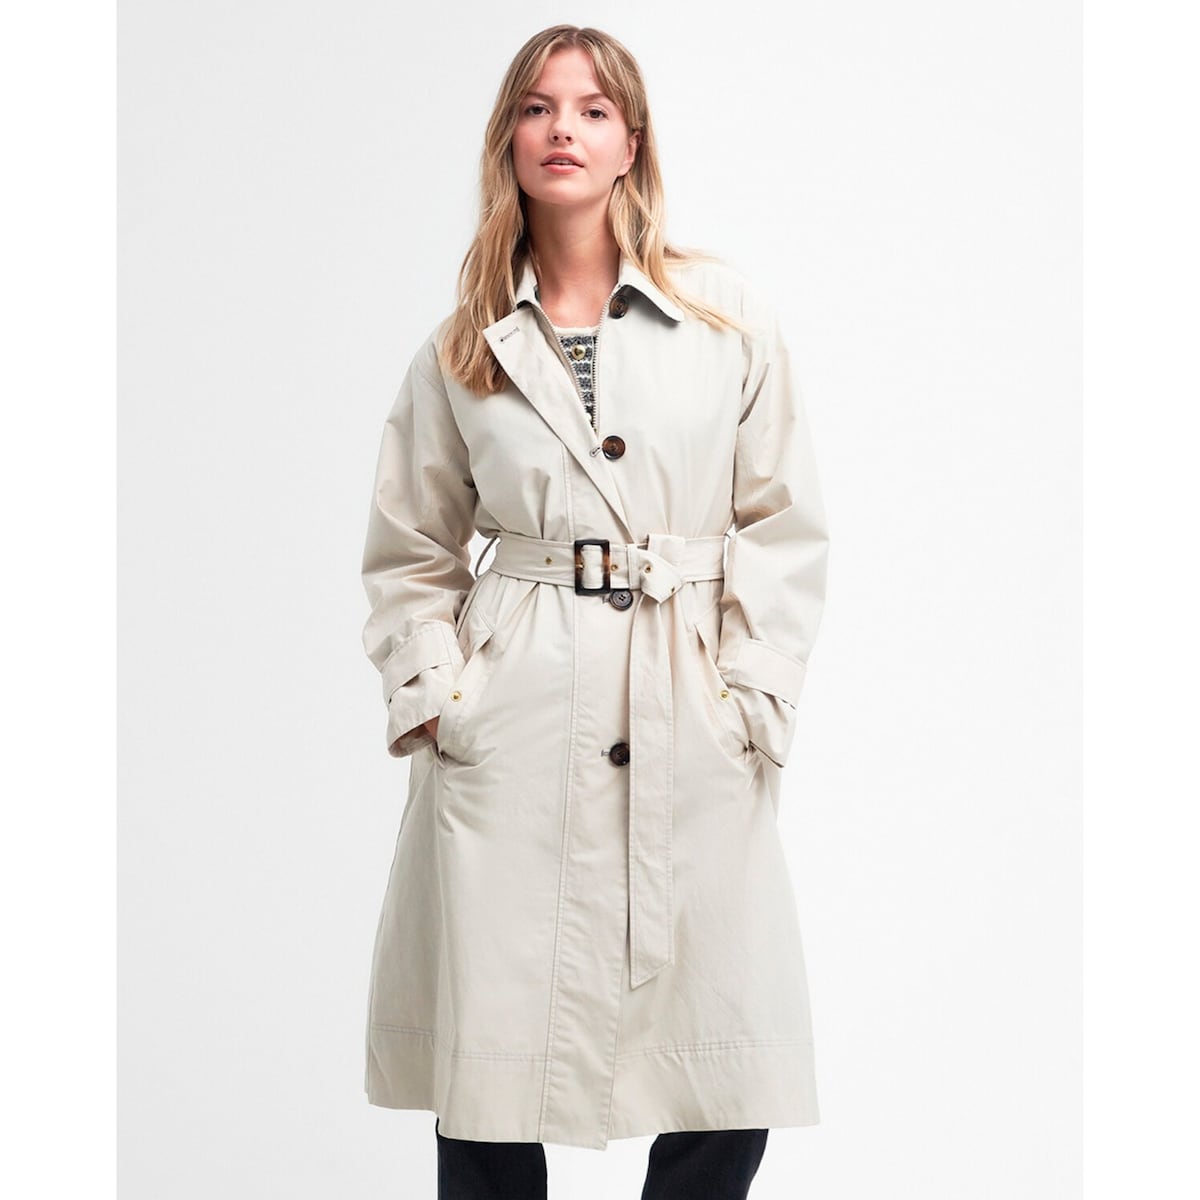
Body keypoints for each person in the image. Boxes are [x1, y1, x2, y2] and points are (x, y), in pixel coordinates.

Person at [359, 23, 831, 1199]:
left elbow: (781, 522)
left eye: (591, 109)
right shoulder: (463, 345)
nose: (561, 129)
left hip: (687, 708)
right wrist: (442, 699)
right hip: (512, 719)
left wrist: (751, 699)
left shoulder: (726, 319)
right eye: (536, 107)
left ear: (632, 143)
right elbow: (410, 546)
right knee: (488, 1066)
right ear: (508, 141)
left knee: (723, 1062)